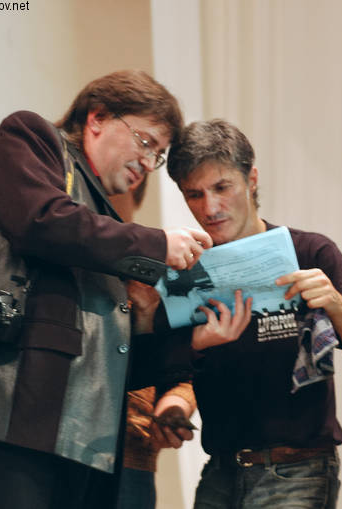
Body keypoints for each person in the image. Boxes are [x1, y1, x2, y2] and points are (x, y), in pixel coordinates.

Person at [0, 70, 214, 509]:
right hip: (9, 421)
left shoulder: (106, 224)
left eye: (158, 155)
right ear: (97, 117)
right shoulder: (30, 137)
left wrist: (166, 327)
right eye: (146, 142)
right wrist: (157, 244)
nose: (149, 163)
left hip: (83, 443)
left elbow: (111, 354)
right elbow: (42, 221)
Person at [164, 119, 342, 508]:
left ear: (251, 179)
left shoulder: (310, 252)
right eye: (194, 195)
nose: (210, 208)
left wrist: (335, 302)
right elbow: (175, 365)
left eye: (222, 187)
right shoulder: (186, 270)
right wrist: (175, 401)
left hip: (296, 468)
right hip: (220, 470)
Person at [110, 175, 198, 509]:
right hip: (56, 454)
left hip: (132, 460)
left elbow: (184, 372)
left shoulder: (165, 266)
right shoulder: (62, 256)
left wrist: (174, 405)